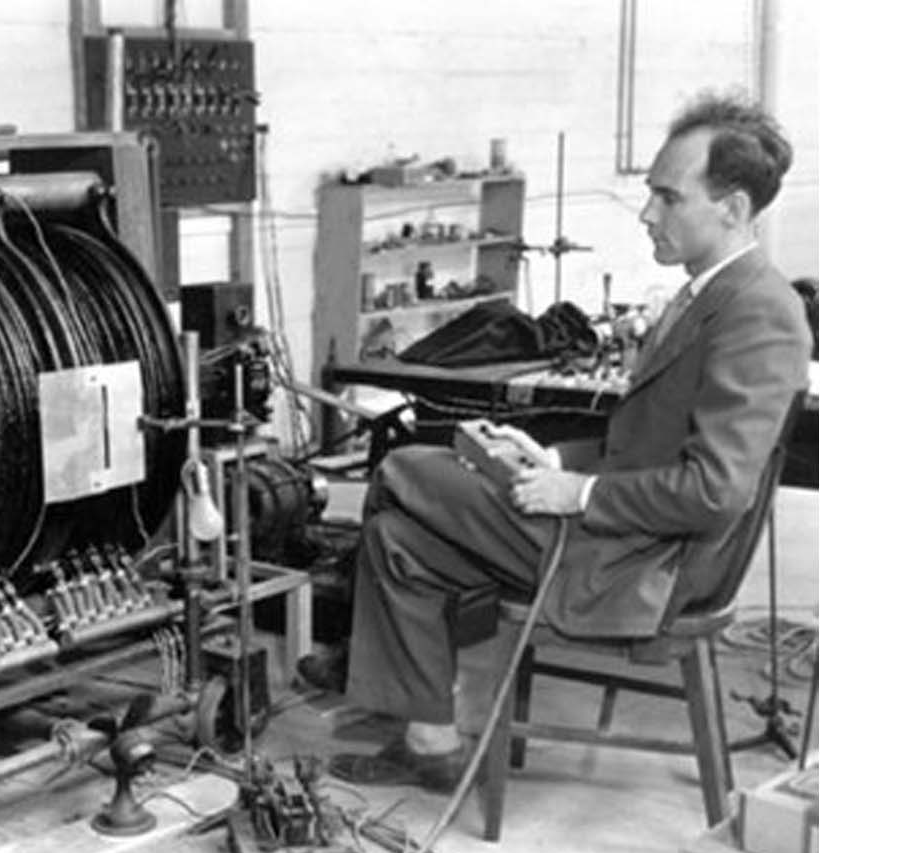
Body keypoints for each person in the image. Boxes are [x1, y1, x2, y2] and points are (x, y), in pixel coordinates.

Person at [305, 93, 813, 790]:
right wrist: (553, 459)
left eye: (668, 198)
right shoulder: (708, 295)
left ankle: (348, 641)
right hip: (623, 534)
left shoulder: (760, 311)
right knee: (400, 540)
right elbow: (646, 443)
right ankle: (430, 742)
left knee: (403, 468)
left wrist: (580, 493)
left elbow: (715, 491)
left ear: (730, 209)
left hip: (642, 562)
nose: (647, 214)